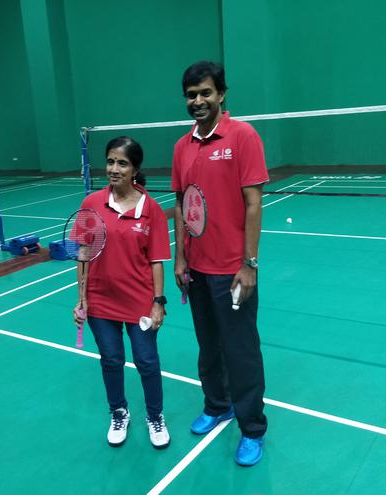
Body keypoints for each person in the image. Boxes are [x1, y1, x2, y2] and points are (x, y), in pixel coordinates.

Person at [171, 61, 269, 466]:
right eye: (191, 95)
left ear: (221, 93)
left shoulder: (242, 136)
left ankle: (252, 428)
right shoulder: (181, 147)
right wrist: (179, 258)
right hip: (196, 270)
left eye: (205, 92)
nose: (198, 100)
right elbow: (179, 205)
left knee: (240, 350)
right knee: (208, 347)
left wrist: (249, 265)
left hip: (232, 269)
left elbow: (253, 203)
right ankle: (217, 405)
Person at [73, 136, 172, 449]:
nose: (114, 169)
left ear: (135, 169)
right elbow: (83, 253)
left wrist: (158, 302)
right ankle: (119, 412)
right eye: (111, 162)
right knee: (111, 360)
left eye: (122, 163)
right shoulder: (92, 204)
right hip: (101, 299)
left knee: (146, 361)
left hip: (139, 299)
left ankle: (155, 416)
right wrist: (82, 300)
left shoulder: (151, 209)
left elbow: (157, 261)